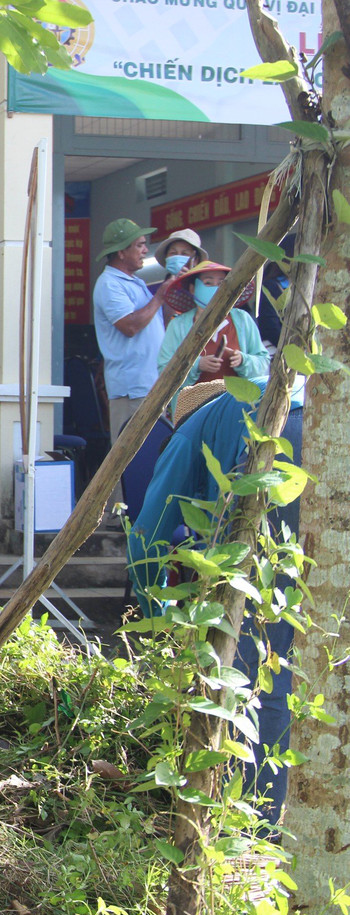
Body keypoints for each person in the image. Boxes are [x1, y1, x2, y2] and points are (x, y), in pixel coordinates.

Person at [126, 378, 302, 828]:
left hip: (283, 452)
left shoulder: (188, 431)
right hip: (323, 435)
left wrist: (158, 620)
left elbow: (145, 537)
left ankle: (258, 825)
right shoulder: (249, 405)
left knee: (258, 669)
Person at [93, 218, 177, 441]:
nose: (145, 250)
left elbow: (158, 324)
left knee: (153, 451)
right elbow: (129, 326)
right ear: (121, 252)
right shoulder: (109, 283)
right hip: (132, 388)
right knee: (129, 454)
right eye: (139, 245)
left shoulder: (135, 282)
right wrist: (159, 297)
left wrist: (171, 293)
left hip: (150, 384)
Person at [156, 260, 268, 417]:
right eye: (208, 283)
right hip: (192, 412)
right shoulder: (178, 325)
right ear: (193, 288)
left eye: (221, 283)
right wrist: (197, 365)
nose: (215, 288)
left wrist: (243, 360)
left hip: (237, 410)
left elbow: (264, 362)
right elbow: (164, 370)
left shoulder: (242, 320)